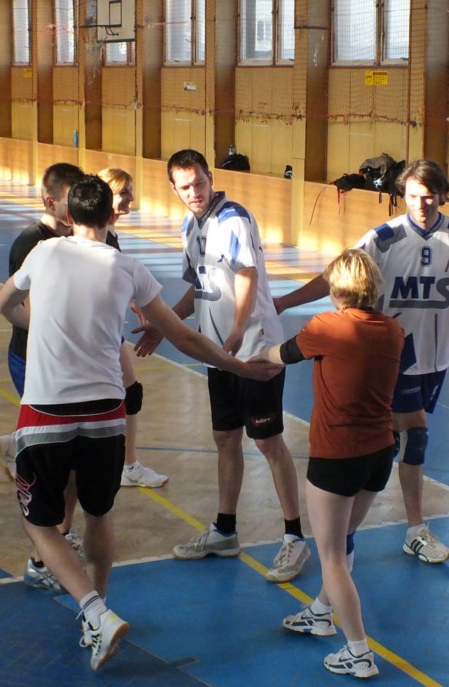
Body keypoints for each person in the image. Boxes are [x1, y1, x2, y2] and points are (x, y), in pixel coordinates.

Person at [0, 176, 282, 671]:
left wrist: (41, 326)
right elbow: (185, 338)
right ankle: (97, 615)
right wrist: (240, 367)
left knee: (39, 523)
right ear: (111, 217)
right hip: (108, 416)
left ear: (69, 217)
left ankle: (95, 612)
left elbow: (1, 304)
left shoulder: (43, 254)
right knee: (99, 514)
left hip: (46, 411)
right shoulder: (129, 268)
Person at [276, 159, 449, 565]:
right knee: (415, 432)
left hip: (436, 357)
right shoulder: (384, 238)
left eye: (429, 196)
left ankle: (343, 533)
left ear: (443, 194)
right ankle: (411, 531)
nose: (421, 203)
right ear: (403, 195)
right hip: (393, 352)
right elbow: (335, 276)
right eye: (413, 196)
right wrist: (284, 302)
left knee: (391, 440)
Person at [134, 149, 309, 583]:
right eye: (185, 186)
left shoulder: (234, 219)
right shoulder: (189, 226)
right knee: (225, 438)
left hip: (255, 349)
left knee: (268, 441)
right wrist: (163, 325)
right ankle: (225, 531)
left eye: (199, 182)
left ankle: (295, 537)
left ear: (210, 178)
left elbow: (247, 275)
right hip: (220, 352)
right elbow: (198, 287)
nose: (194, 192)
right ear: (173, 189)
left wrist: (236, 330)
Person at [264, 249, 403, 679]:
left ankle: (359, 651)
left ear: (336, 288)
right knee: (342, 540)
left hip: (336, 454)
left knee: (332, 556)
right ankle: (321, 612)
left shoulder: (326, 326)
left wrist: (252, 352)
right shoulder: (394, 331)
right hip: (379, 455)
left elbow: (282, 354)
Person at [0, 162, 88, 592]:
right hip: (33, 362)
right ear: (50, 201)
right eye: (70, 201)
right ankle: (42, 556)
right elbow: (20, 307)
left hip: (72, 365)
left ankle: (62, 535)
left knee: (73, 461)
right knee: (55, 463)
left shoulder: (85, 237)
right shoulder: (31, 244)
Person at [96, 167, 169, 489]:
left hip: (109, 328)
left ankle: (129, 464)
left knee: (130, 391)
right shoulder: (94, 234)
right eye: (124, 192)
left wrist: (136, 304)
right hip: (94, 330)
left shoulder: (110, 233)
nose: (131, 198)